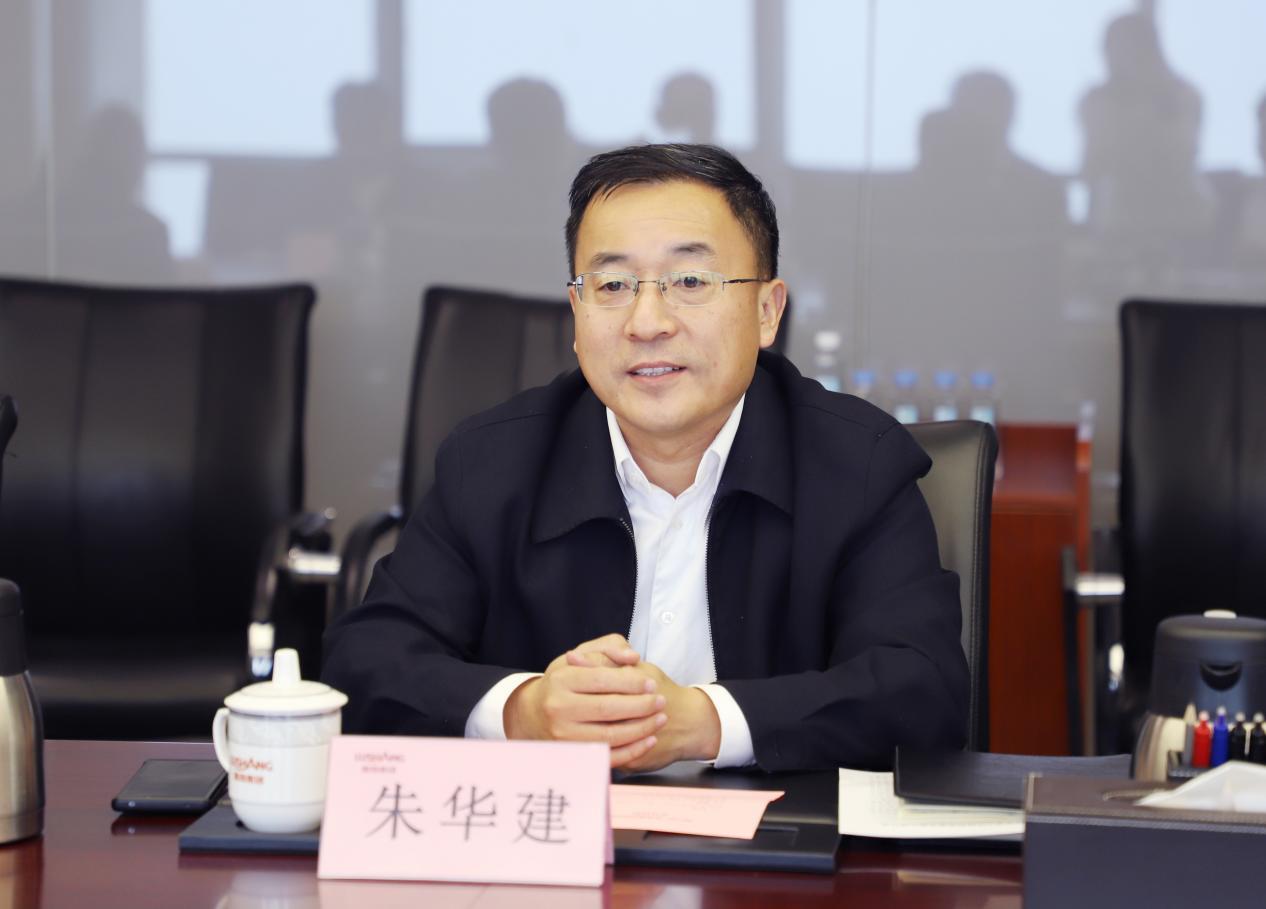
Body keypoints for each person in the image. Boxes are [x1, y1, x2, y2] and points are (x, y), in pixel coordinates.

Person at [322, 144, 968, 772]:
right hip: (552, 832)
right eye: (612, 284)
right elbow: (365, 662)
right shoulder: (492, 461)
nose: (647, 321)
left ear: (767, 311)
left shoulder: (857, 464)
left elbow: (919, 689)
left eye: (689, 281)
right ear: (577, 314)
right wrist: (523, 711)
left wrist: (704, 722)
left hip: (776, 838)